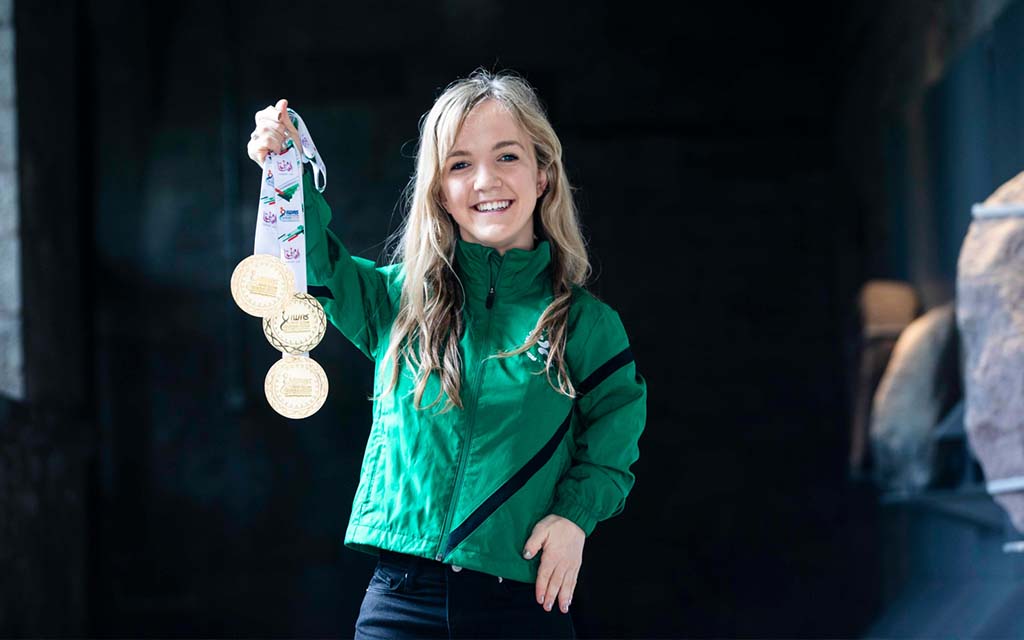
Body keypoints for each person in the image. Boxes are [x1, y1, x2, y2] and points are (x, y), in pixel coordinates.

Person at [246, 69, 647, 639]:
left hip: (521, 604)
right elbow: (307, 262)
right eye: (460, 164)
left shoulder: (587, 326)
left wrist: (574, 518)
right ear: (439, 190)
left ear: (543, 175)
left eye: (507, 156)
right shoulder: (396, 301)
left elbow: (616, 431)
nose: (485, 180)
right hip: (400, 605)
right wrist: (281, 169)